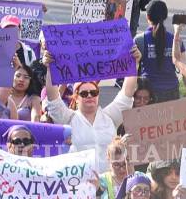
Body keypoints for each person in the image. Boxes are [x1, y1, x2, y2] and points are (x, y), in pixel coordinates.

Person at [42, 42, 142, 171]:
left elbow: (127, 93)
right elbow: (53, 99)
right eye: (84, 93)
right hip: (79, 183)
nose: (89, 96)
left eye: (93, 92)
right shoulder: (68, 119)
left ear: (98, 96)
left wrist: (134, 64)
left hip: (108, 182)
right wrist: (50, 68)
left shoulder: (110, 117)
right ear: (76, 98)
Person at [135, 0, 183, 102]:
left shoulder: (139, 40)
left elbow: (131, 70)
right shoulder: (175, 40)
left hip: (147, 94)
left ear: (148, 17)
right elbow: (184, 68)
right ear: (165, 17)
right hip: (172, 92)